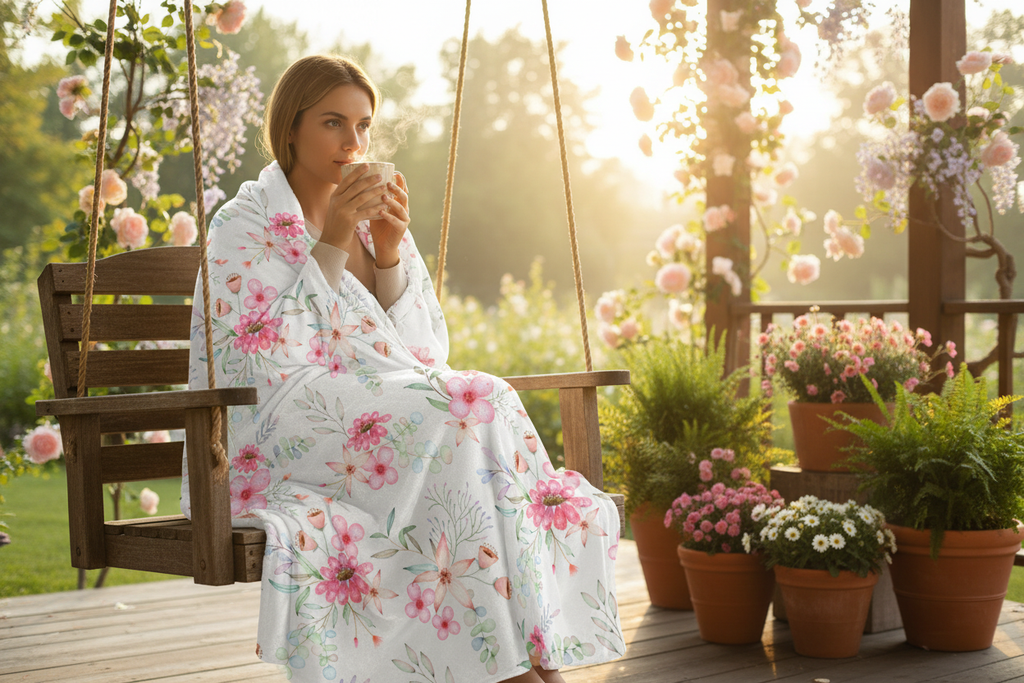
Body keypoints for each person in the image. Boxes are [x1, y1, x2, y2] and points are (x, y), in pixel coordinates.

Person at [182, 54, 624, 683]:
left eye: (363, 126)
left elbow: (423, 356)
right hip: (279, 426)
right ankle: (513, 669)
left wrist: (387, 257)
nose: (353, 143)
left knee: (480, 398)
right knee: (460, 407)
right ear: (291, 129)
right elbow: (260, 361)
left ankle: (524, 656)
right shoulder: (243, 223)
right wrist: (332, 238)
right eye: (334, 123)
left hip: (378, 416)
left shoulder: (371, 225)